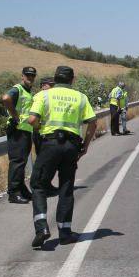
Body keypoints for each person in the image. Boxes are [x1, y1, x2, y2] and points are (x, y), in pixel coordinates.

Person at [26, 65, 97, 248]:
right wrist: (85, 146)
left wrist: (39, 129)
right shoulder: (81, 97)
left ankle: (42, 228)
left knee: (38, 185)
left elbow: (32, 120)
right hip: (72, 146)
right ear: (72, 80)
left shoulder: (43, 95)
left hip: (50, 144)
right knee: (66, 188)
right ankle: (65, 233)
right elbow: (92, 123)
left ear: (55, 79)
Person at [0, 66, 37, 203]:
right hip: (17, 130)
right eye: (27, 75)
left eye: (32, 75)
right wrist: (15, 115)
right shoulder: (18, 89)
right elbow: (5, 98)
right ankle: (13, 193)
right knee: (17, 162)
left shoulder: (28, 91)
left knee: (22, 162)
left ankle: (21, 189)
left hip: (25, 130)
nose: (30, 77)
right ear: (22, 76)